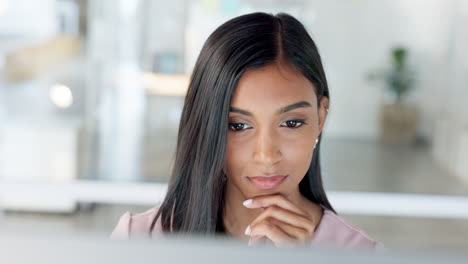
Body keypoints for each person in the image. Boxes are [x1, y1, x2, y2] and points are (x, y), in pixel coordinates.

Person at [111, 12, 383, 250]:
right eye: (238, 126)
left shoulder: (361, 254)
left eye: (291, 123)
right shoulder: (137, 241)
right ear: (207, 126)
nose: (266, 156)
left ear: (321, 117)